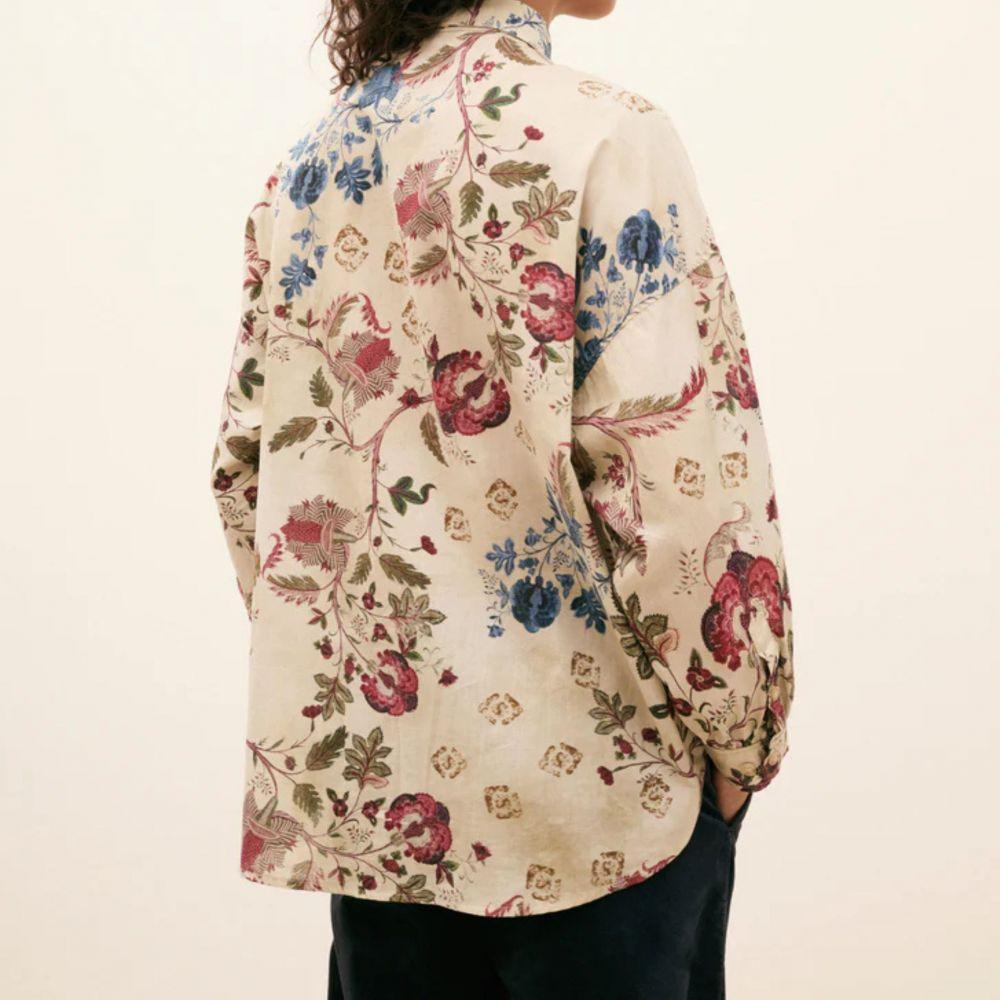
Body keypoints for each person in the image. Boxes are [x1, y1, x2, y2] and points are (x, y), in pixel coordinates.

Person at [210, 1, 794, 996]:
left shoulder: (310, 169)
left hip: (389, 822)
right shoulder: (606, 137)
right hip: (606, 827)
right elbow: (682, 493)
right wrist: (744, 740)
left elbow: (246, 481)